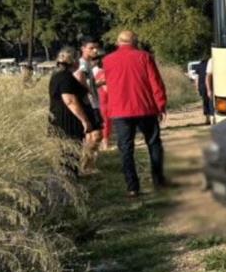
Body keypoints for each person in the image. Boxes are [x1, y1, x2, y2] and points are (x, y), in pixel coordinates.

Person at [104, 30, 168, 198]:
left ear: (118, 42)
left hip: (120, 110)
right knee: (153, 143)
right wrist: (160, 105)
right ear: (135, 42)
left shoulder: (108, 61)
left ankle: (132, 187)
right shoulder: (144, 57)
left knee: (126, 149)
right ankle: (158, 180)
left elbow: (108, 86)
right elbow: (155, 82)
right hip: (144, 107)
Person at [49, 47, 96, 171]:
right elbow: (69, 100)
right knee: (70, 153)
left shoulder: (57, 75)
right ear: (73, 61)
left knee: (66, 153)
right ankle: (70, 180)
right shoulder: (65, 77)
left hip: (58, 117)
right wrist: (84, 120)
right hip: (67, 120)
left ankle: (69, 178)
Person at [74, 37, 104, 173]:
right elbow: (80, 82)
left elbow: (89, 85)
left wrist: (100, 83)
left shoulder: (88, 65)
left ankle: (88, 165)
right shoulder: (82, 65)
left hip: (93, 103)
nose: (95, 50)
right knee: (96, 135)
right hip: (89, 104)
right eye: (91, 48)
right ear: (83, 49)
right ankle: (86, 165)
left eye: (96, 47)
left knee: (94, 136)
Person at [193, 53, 214, 125]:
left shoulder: (198, 66)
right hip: (211, 85)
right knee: (211, 101)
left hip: (202, 86)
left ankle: (207, 118)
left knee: (205, 102)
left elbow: (197, 78)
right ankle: (212, 117)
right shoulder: (211, 63)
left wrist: (197, 87)